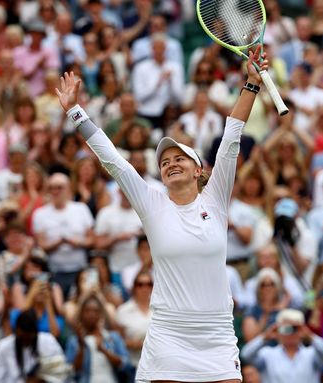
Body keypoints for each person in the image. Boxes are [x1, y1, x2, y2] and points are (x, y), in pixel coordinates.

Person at [54, 45, 269, 382]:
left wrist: (252, 84)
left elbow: (231, 137)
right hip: (169, 332)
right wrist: (75, 111)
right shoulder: (151, 203)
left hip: (216, 332)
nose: (170, 164)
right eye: (165, 162)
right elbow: (113, 160)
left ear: (199, 170)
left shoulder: (216, 199)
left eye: (179, 158)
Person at [240, 309, 323, 383]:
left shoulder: (311, 354)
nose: (290, 333)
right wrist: (265, 337)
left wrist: (310, 336)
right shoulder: (268, 354)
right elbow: (246, 355)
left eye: (295, 328)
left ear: (302, 329)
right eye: (286, 328)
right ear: (278, 329)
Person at [66, 293, 131, 382]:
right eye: (87, 311)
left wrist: (104, 350)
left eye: (95, 311)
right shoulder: (74, 341)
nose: (91, 314)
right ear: (81, 314)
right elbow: (71, 372)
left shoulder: (113, 338)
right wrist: (81, 347)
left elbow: (126, 365)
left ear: (101, 314)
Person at [0, 310, 68, 383]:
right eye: (22, 338)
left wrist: (41, 379)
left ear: (35, 333)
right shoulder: (4, 347)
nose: (25, 342)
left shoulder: (48, 342)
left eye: (28, 338)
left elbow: (60, 371)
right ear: (16, 332)